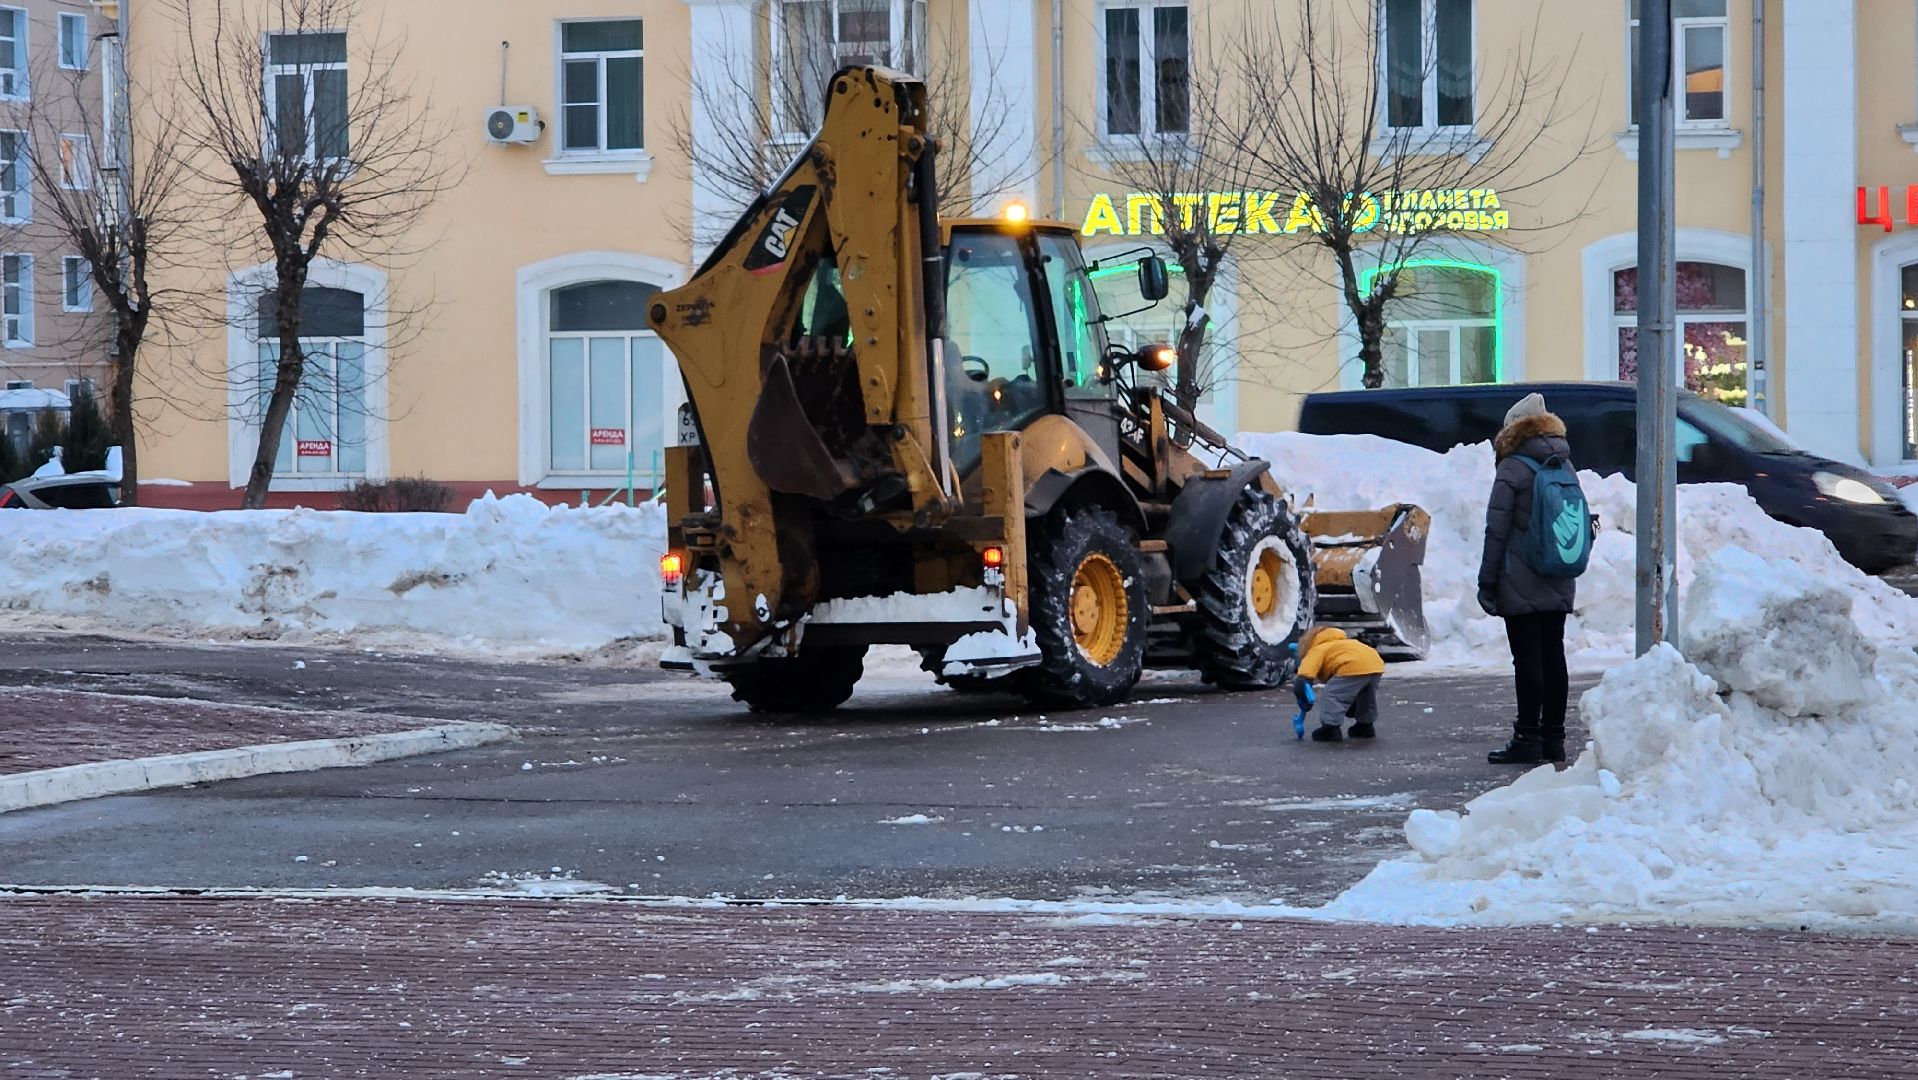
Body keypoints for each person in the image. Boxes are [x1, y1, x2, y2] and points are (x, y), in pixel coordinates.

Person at [1477, 392, 1577, 765]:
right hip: (1558, 570)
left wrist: (1487, 581)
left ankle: (1527, 737)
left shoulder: (1513, 468)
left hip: (1519, 576)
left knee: (1527, 658)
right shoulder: (1563, 464)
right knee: (1553, 653)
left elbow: (1496, 530)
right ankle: (1554, 738)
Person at [1293, 626, 1385, 742]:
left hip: (1351, 665)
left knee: (1333, 695)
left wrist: (1302, 683)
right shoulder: (1348, 643)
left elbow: (1307, 671)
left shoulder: (1318, 648)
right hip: (1375, 664)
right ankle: (1365, 726)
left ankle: (1330, 729)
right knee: (1366, 697)